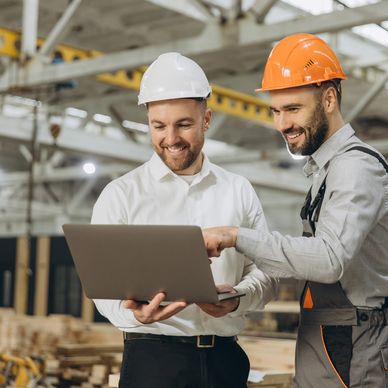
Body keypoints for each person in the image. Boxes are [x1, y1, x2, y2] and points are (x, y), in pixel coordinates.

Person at [202, 33, 388, 387]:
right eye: (276, 110)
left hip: (355, 345)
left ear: (329, 98)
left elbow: (329, 260)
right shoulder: (326, 170)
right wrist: (239, 296)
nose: (281, 124)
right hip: (328, 338)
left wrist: (236, 236)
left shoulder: (355, 167)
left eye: (293, 109)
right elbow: (307, 263)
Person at [91, 52, 278, 388]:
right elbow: (102, 287)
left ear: (206, 119)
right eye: (158, 126)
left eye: (184, 124)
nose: (170, 138)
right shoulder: (120, 195)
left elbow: (268, 274)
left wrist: (237, 298)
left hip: (225, 362)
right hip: (152, 364)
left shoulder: (238, 190)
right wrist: (132, 313)